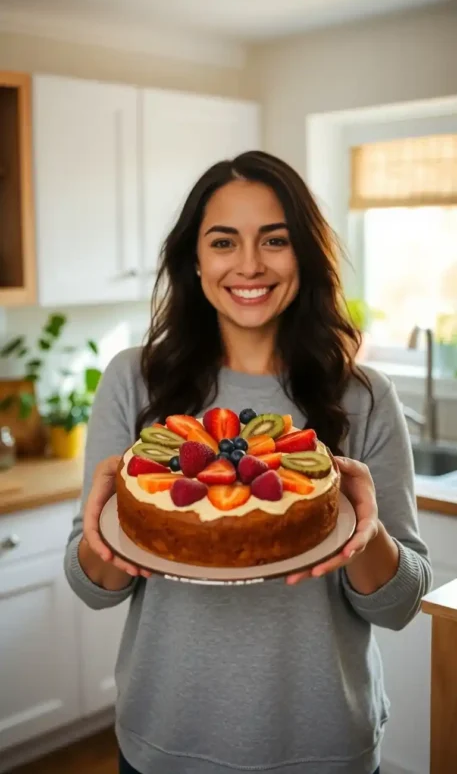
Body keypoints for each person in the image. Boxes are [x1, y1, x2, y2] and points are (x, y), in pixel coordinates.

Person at [64, 150, 432, 774]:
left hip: (325, 748)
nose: (250, 265)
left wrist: (366, 536)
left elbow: (398, 607)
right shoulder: (135, 379)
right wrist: (102, 528)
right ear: (195, 259)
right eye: (223, 241)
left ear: (304, 255)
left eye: (275, 240)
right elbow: (92, 588)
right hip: (162, 741)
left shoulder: (363, 395)